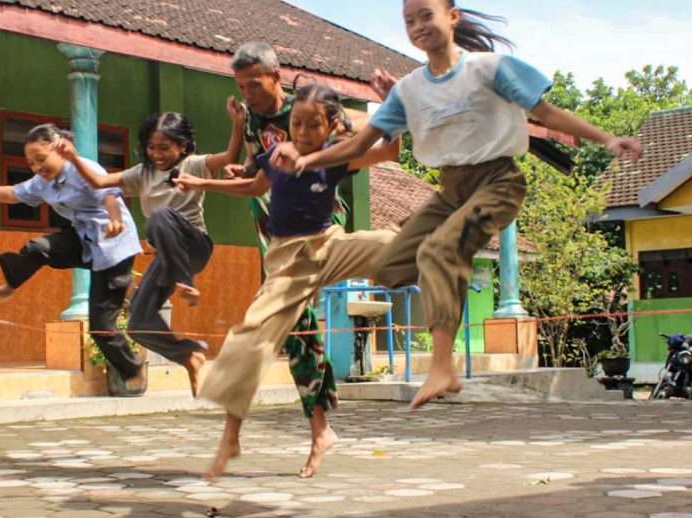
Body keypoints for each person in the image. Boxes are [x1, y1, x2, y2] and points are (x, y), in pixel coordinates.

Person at [272, 0, 642, 410]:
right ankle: (445, 270)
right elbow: (360, 145)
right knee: (386, 268)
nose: (417, 26)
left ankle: (442, 367)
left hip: (498, 181)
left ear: (452, 16)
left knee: (440, 250)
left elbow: (547, 113)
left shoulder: (488, 69)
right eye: (409, 20)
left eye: (426, 15)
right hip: (450, 191)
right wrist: (306, 159)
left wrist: (608, 139)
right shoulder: (409, 89)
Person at [176, 83, 400, 480]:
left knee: (389, 243)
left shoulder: (336, 157)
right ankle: (231, 437)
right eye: (296, 123)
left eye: (312, 125)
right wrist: (203, 184)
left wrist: (393, 105)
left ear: (331, 125)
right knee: (249, 337)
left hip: (326, 246)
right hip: (286, 262)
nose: (301, 132)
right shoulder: (274, 156)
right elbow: (251, 185)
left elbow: (390, 151)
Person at [229, 42, 376, 432]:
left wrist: (346, 127)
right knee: (292, 324)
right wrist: (240, 172)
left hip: (316, 220)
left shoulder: (306, 108)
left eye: (254, 85)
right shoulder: (252, 120)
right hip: (271, 224)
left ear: (276, 77)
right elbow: (251, 162)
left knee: (293, 312)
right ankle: (320, 409)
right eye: (241, 86)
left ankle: (319, 416)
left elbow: (356, 132)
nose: (248, 95)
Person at [51, 102, 246, 396]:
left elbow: (230, 156)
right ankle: (189, 356)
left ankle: (185, 283)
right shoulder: (142, 173)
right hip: (167, 256)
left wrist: (238, 124)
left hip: (194, 245)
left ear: (182, 146)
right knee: (139, 323)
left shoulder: (192, 164)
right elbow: (100, 181)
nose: (157, 154)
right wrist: (74, 158)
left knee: (158, 218)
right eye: (152, 147)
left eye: (164, 147)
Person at [0, 124, 146, 391]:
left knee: (100, 326)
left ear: (59, 149)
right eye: (31, 163)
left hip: (114, 246)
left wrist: (116, 219)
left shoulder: (82, 168)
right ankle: (9, 287)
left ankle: (133, 368)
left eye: (41, 159)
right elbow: (12, 194)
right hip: (84, 240)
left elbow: (108, 193)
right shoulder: (41, 182)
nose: (38, 167)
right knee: (37, 247)